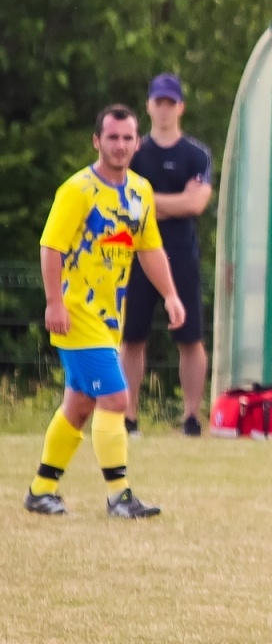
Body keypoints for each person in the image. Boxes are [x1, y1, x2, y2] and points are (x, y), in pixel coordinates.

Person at [26, 104, 185, 519]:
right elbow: (51, 247)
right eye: (112, 137)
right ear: (97, 141)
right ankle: (120, 496)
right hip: (77, 315)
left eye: (128, 138)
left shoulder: (139, 191)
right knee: (115, 398)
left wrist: (170, 295)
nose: (120, 145)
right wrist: (54, 302)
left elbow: (149, 248)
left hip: (109, 319)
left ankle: (41, 489)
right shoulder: (77, 190)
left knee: (79, 406)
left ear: (137, 142)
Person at [121, 73, 213, 438]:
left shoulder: (195, 154)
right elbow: (123, 201)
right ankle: (128, 416)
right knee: (133, 337)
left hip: (180, 255)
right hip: (135, 253)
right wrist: (173, 203)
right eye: (158, 102)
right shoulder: (134, 150)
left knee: (190, 337)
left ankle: (191, 418)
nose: (163, 109)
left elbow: (197, 203)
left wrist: (148, 200)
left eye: (170, 103)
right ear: (148, 106)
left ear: (180, 107)